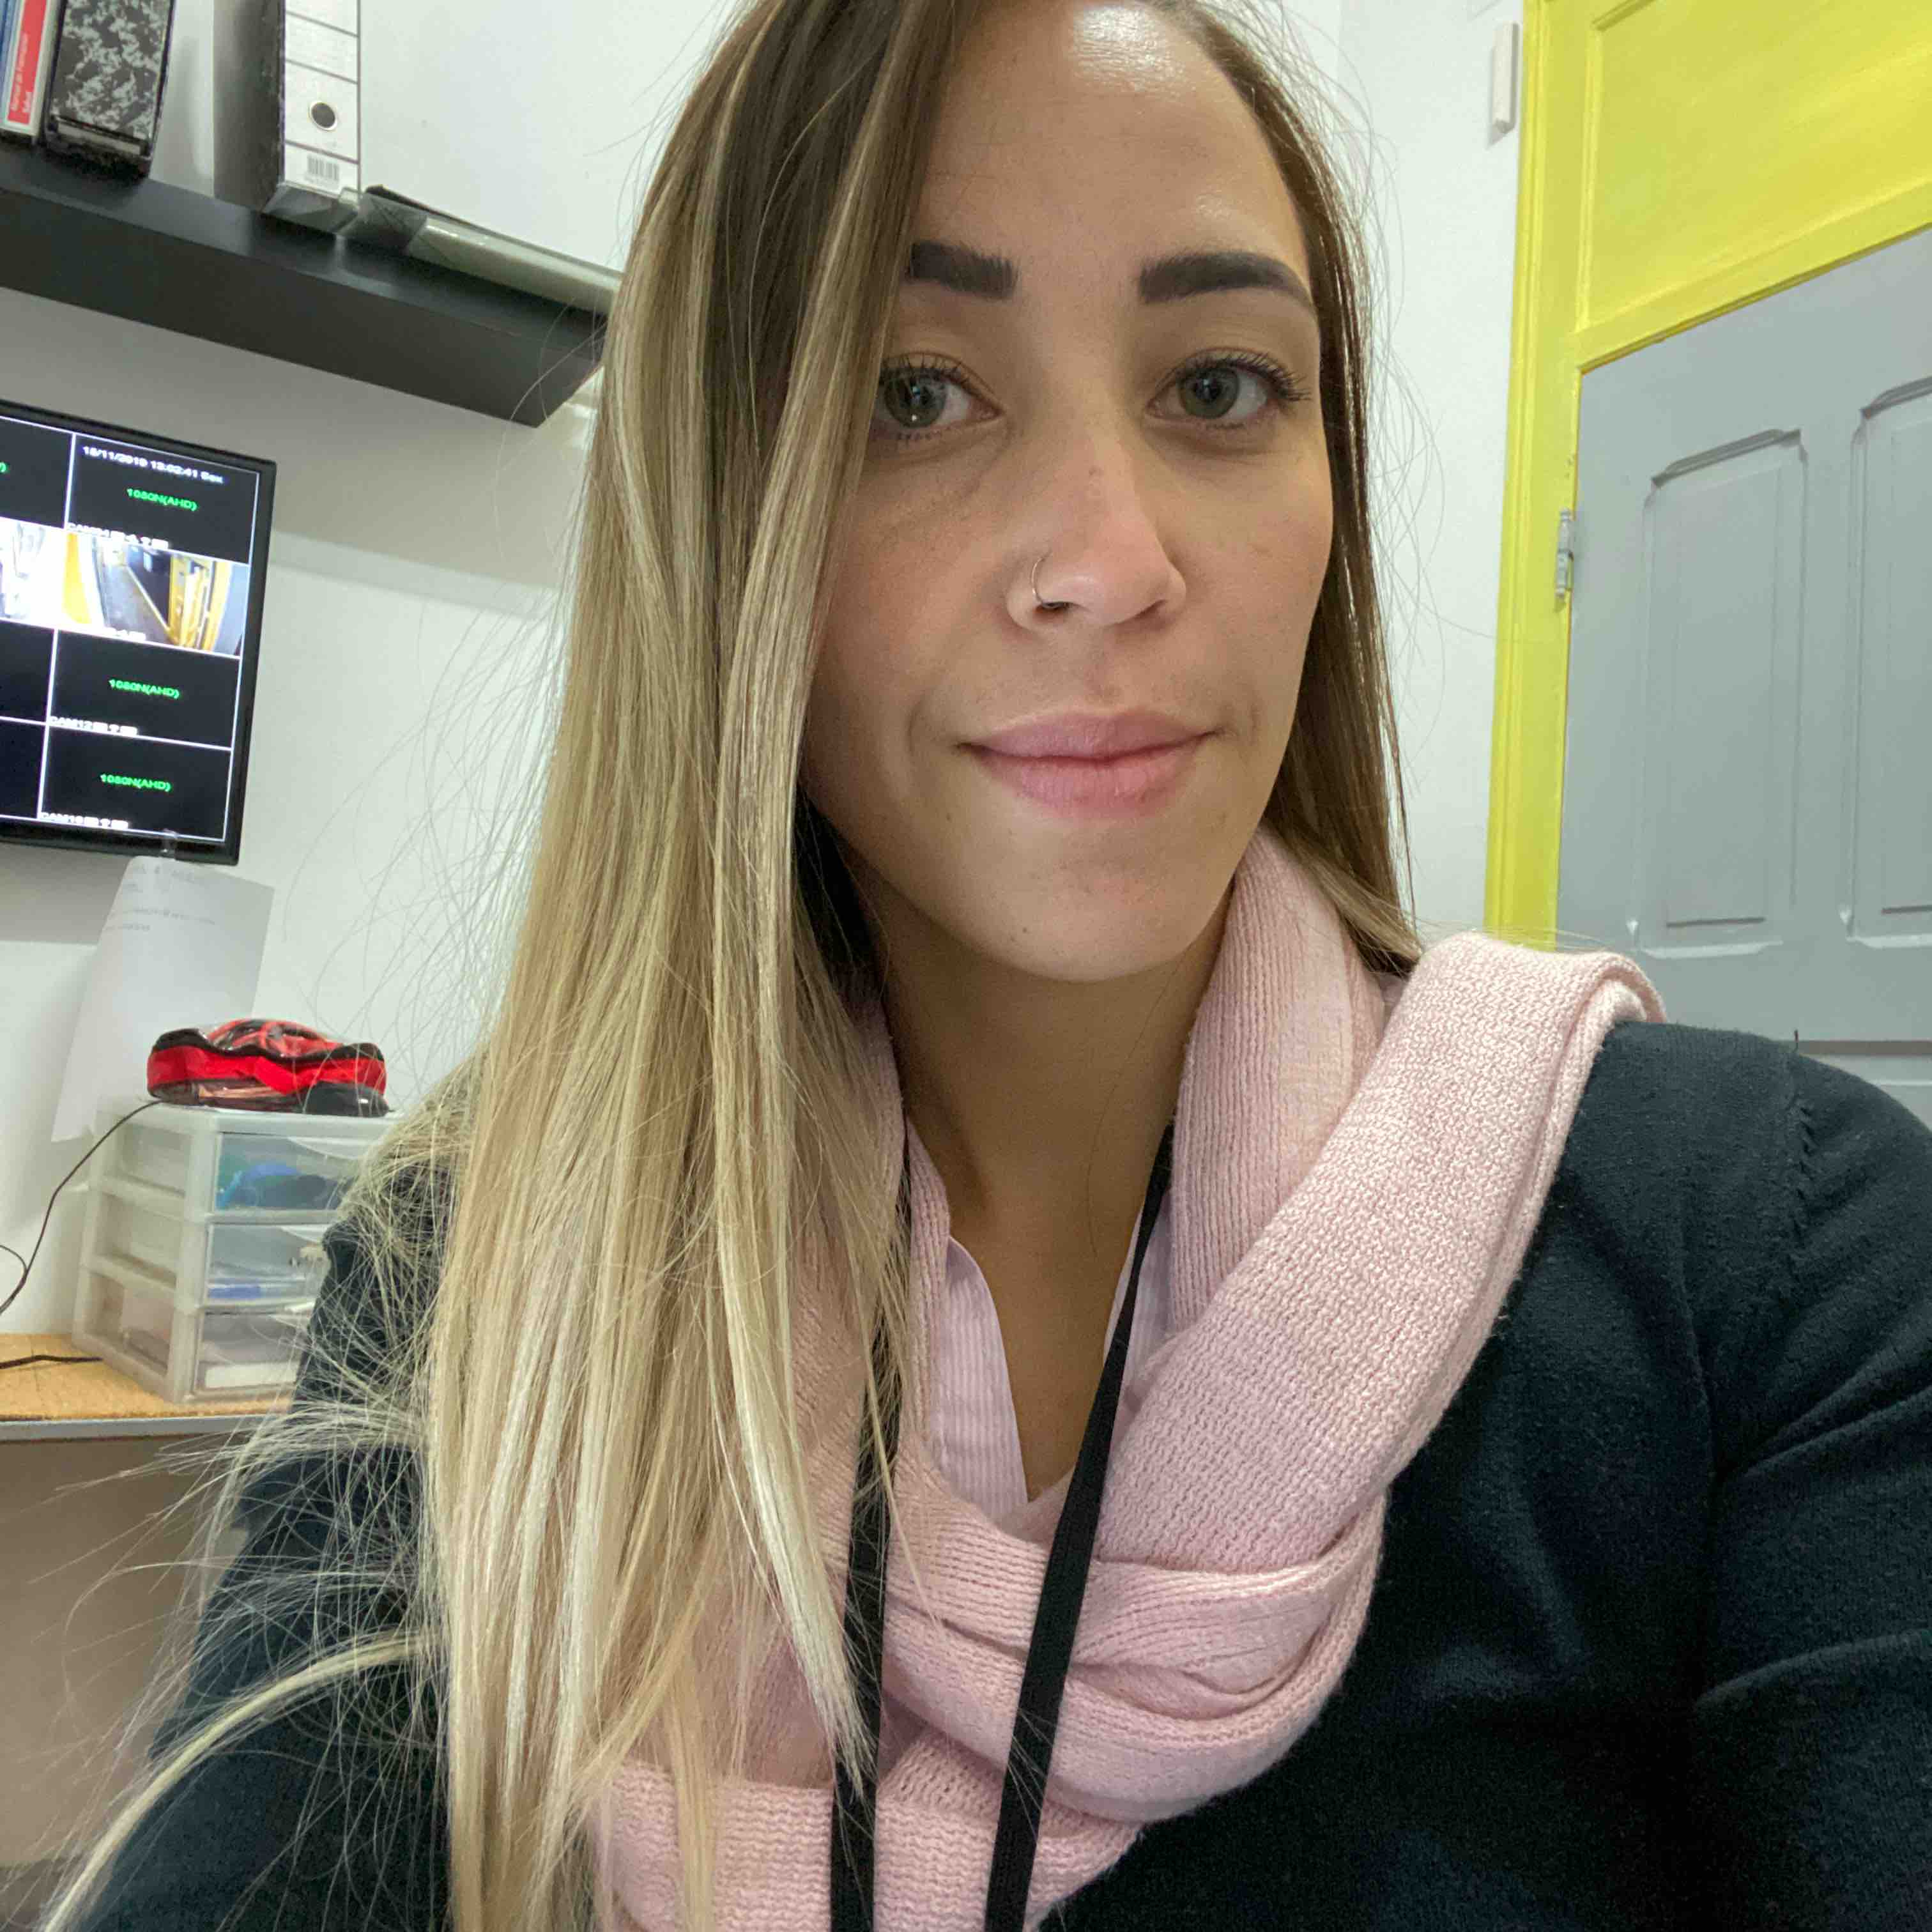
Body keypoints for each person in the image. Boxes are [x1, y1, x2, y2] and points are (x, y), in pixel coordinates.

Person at [42, 1, 1932, 1928]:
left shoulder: (1772, 1259)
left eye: (1218, 386)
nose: (1110, 560)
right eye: (914, 392)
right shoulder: (490, 1259)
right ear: (721, 520)